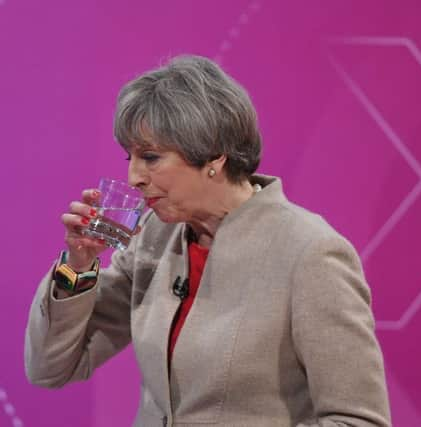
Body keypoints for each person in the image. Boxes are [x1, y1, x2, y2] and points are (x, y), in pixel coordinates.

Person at [25, 55, 391, 427]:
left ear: (214, 156)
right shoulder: (154, 236)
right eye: (130, 157)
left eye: (150, 157)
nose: (134, 177)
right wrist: (80, 266)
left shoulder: (311, 254)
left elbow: (358, 421)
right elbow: (51, 369)